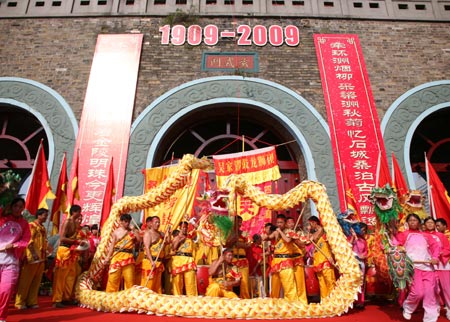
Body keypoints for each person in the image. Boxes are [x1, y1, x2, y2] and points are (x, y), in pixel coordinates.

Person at [390, 213, 440, 322]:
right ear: (407, 223)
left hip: (427, 267)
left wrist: (435, 257)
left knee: (429, 293)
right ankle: (408, 307)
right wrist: (396, 249)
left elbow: (436, 247)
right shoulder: (403, 234)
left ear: (419, 222)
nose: (413, 222)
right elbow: (394, 245)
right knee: (417, 293)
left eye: (415, 220)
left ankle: (430, 318)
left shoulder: (426, 235)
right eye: (410, 220)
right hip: (412, 267)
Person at [0, 197, 31, 322]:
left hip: (11, 262)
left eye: (20, 207)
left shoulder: (24, 224)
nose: (18, 209)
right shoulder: (2, 218)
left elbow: (25, 240)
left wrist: (14, 245)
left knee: (6, 291)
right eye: (15, 206)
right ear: (10, 206)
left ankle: (1, 317)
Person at [15, 208, 49, 309]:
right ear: (38, 215)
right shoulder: (32, 226)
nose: (46, 217)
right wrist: (33, 254)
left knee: (36, 281)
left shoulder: (42, 228)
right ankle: (20, 302)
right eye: (44, 215)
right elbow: (29, 241)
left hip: (41, 258)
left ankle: (32, 301)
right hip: (32, 258)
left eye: (46, 215)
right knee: (25, 280)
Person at [52, 204, 83, 308]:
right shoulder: (68, 222)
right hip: (64, 250)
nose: (80, 214)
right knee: (61, 276)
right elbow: (62, 238)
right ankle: (57, 300)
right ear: (74, 212)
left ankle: (66, 298)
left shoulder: (75, 224)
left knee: (71, 275)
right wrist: (76, 241)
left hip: (72, 251)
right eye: (79, 212)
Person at [262, 214, 298, 301]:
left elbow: (288, 240)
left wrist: (280, 232)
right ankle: (274, 305)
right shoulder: (275, 232)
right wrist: (265, 236)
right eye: (277, 222)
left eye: (281, 222)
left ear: (285, 223)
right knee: (274, 287)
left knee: (288, 286)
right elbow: (268, 237)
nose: (279, 224)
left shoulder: (290, 232)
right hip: (276, 261)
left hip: (285, 260)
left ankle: (293, 305)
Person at [104, 213, 141, 292]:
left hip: (128, 257)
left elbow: (139, 240)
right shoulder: (116, 232)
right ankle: (110, 297)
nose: (127, 223)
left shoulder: (132, 232)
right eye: (125, 221)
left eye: (128, 222)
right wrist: (107, 257)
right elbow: (112, 246)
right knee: (113, 278)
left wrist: (134, 230)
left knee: (129, 279)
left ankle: (129, 298)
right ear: (121, 222)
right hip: (117, 256)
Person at [423, 216, 450, 320]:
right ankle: (434, 310)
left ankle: (449, 309)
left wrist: (440, 254)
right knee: (433, 289)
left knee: (446, 288)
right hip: (428, 265)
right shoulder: (422, 235)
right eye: (427, 223)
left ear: (435, 225)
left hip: (442, 265)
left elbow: (448, 248)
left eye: (432, 223)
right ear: (424, 225)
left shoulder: (441, 236)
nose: (430, 224)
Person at [307, 215, 336, 301]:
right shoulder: (314, 232)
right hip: (318, 261)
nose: (310, 225)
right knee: (322, 284)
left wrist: (310, 232)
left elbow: (315, 238)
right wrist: (309, 232)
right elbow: (308, 241)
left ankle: (333, 301)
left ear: (314, 223)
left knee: (330, 282)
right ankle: (325, 301)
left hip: (325, 259)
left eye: (310, 223)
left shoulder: (322, 230)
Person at [226, 215, 251, 299]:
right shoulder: (229, 233)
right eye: (237, 222)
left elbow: (248, 245)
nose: (239, 224)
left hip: (242, 260)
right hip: (232, 260)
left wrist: (239, 244)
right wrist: (233, 239)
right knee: (231, 280)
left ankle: (245, 300)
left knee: (244, 282)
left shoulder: (244, 233)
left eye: (240, 222)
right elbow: (226, 244)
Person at [140, 216, 166, 293]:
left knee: (157, 285)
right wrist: (151, 261)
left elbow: (168, 241)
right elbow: (147, 248)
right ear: (151, 223)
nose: (158, 224)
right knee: (148, 284)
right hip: (150, 262)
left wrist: (169, 232)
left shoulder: (160, 234)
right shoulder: (148, 234)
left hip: (158, 262)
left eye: (159, 222)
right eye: (156, 222)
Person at [171, 221, 197, 296]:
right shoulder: (176, 237)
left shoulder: (190, 236)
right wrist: (179, 240)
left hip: (188, 260)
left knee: (190, 282)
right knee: (177, 282)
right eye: (183, 227)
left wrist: (192, 221)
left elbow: (198, 229)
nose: (184, 229)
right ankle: (177, 299)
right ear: (180, 228)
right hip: (178, 260)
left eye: (186, 227)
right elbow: (173, 248)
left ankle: (192, 300)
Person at [286, 216, 308, 304]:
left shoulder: (299, 232)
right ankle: (292, 302)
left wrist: (296, 239)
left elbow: (303, 244)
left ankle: (303, 302)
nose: (291, 224)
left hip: (298, 258)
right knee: (290, 282)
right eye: (289, 223)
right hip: (288, 259)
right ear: (286, 224)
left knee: (300, 281)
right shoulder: (285, 232)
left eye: (292, 222)